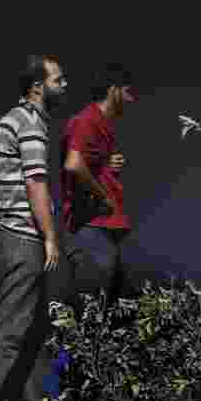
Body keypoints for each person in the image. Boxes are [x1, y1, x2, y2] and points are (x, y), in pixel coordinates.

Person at [0, 55, 66, 401]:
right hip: (23, 234)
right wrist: (50, 236)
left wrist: (4, 178)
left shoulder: (15, 118)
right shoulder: (29, 125)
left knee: (34, 324)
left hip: (11, 232)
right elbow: (36, 184)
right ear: (38, 86)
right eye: (59, 79)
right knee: (13, 324)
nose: (65, 85)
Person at [60, 62, 139, 319]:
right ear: (114, 90)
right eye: (128, 92)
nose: (131, 100)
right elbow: (73, 165)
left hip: (103, 234)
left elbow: (85, 163)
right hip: (91, 232)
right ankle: (67, 360)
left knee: (116, 317)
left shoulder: (102, 125)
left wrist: (106, 165)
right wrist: (102, 194)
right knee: (90, 323)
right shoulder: (87, 120)